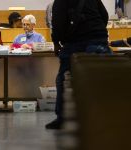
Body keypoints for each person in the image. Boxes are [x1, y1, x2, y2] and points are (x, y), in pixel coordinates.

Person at [46, 0, 112, 129]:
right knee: (101, 77)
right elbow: (104, 15)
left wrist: (56, 42)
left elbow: (58, 23)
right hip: (98, 40)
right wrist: (96, 32)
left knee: (63, 77)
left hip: (75, 42)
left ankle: (62, 117)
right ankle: (105, 115)